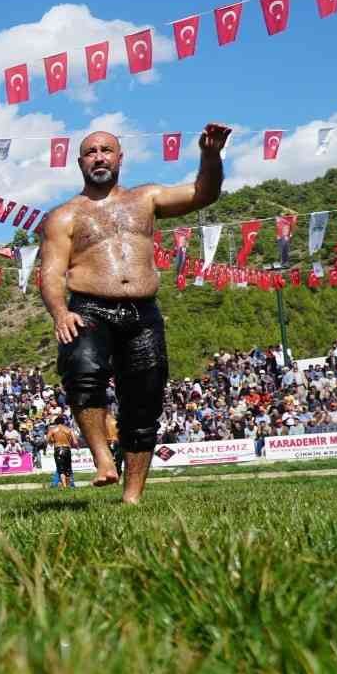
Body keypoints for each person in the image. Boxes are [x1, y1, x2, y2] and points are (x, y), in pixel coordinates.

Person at [39, 124, 229, 504]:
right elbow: (50, 272)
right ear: (80, 162)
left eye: (106, 150)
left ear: (120, 158)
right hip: (89, 307)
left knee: (143, 403)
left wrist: (210, 156)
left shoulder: (146, 198)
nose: (99, 157)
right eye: (91, 152)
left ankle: (133, 497)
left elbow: (202, 194)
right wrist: (60, 312)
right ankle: (103, 459)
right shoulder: (65, 216)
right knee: (82, 374)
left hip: (142, 311)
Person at [46, 418, 77, 489]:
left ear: (56, 423)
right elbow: (75, 442)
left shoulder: (53, 429)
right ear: (64, 422)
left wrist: (52, 441)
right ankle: (69, 485)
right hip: (67, 449)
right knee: (68, 468)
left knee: (61, 469)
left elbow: (47, 439)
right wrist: (71, 443)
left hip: (58, 448)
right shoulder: (69, 429)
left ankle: (64, 486)